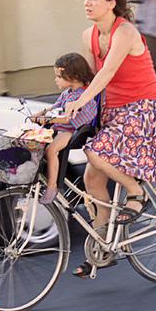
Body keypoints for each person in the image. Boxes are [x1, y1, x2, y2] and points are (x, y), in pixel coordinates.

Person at [64, 0, 156, 278]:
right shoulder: (88, 35)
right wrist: (63, 107)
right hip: (115, 114)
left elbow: (106, 74)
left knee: (95, 154)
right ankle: (102, 247)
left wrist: (81, 100)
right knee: (92, 179)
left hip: (145, 111)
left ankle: (135, 193)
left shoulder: (125, 32)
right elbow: (89, 82)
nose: (87, 2)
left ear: (111, 4)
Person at [32, 53, 97, 204]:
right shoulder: (66, 93)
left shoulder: (82, 97)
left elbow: (69, 118)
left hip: (71, 130)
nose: (56, 80)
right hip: (61, 127)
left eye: (59, 77)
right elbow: (54, 107)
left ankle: (52, 186)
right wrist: (41, 113)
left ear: (73, 78)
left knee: (51, 150)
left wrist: (48, 118)